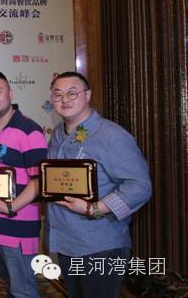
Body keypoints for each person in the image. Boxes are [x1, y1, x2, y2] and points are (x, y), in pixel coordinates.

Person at [46, 71, 152, 298]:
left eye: (72, 93)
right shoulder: (58, 134)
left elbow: (140, 185)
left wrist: (94, 208)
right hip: (67, 241)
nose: (65, 100)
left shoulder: (112, 135)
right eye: (58, 95)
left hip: (101, 245)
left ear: (87, 95)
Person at [0, 70, 47, 298]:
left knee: (23, 290)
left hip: (16, 228)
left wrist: (11, 207)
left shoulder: (29, 131)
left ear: (10, 94)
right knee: (9, 286)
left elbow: (40, 181)